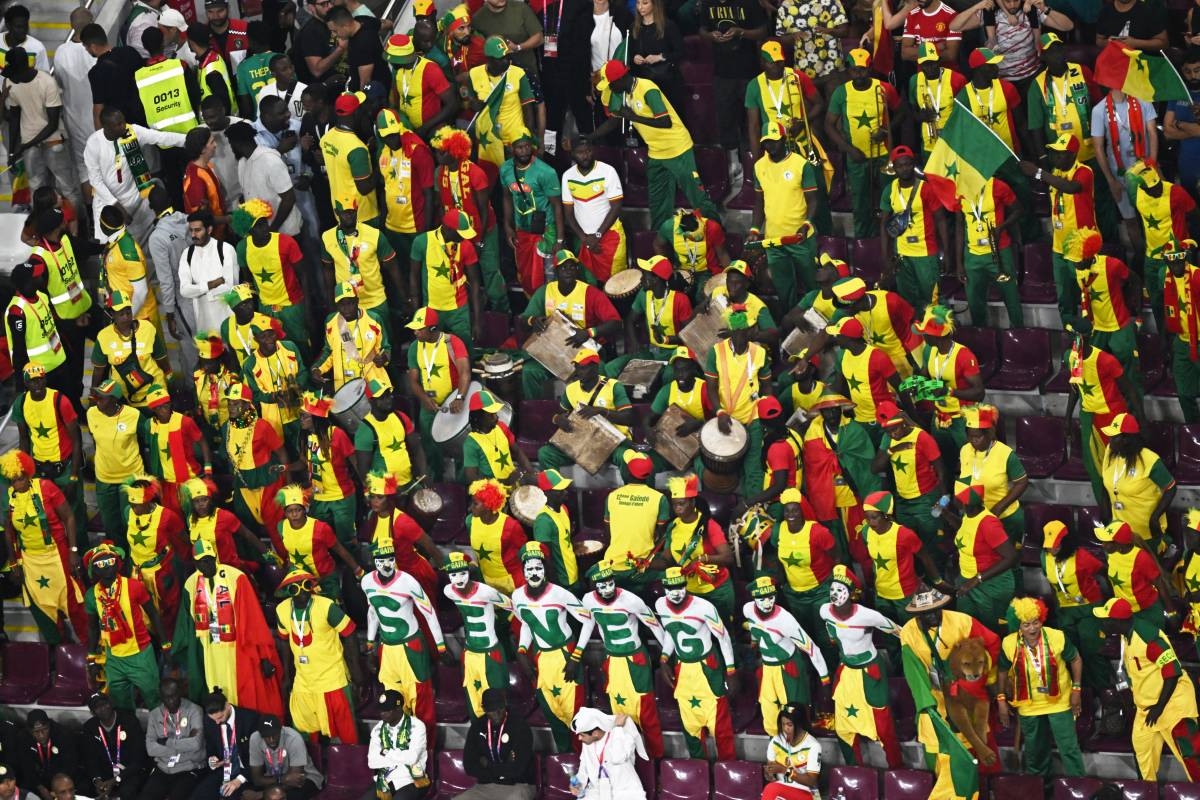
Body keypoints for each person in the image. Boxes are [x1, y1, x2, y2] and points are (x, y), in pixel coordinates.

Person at [594, 59, 719, 230]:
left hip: (677, 150)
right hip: (656, 153)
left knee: (696, 197)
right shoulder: (623, 93)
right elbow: (614, 121)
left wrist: (633, 117)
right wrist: (590, 137)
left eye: (610, 84)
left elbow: (665, 121)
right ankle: (661, 240)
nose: (610, 88)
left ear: (620, 79)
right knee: (658, 203)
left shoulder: (647, 88)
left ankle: (717, 233)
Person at [172, 539, 285, 718]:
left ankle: (241, 724)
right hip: (210, 650)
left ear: (216, 556)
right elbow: (187, 622)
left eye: (209, 559)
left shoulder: (235, 577)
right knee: (216, 686)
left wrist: (262, 654)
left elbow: (253, 618)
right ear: (195, 563)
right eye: (201, 561)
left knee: (239, 688)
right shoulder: (191, 583)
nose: (206, 565)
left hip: (236, 646)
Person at [1094, 597, 1200, 781]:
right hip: (1147, 709)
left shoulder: (1147, 637)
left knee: (1191, 755)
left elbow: (1173, 672)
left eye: (1106, 619)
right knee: (1143, 755)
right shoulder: (1124, 636)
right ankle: (1149, 793)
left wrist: (1159, 707)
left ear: (1118, 621)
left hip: (1173, 705)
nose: (1103, 623)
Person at [898, 587, 1001, 770]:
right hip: (933, 695)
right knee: (935, 740)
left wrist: (980, 676)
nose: (931, 616)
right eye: (925, 613)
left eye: (935, 610)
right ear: (917, 614)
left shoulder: (962, 621)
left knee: (978, 737)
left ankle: (983, 785)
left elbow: (992, 642)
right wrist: (926, 703)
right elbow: (912, 668)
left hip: (965, 691)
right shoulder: (908, 632)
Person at [819, 565, 902, 767]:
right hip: (847, 672)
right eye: (832, 589)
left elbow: (899, 631)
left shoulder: (867, 615)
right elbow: (832, 636)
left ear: (851, 593)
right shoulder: (824, 611)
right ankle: (855, 770)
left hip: (870, 672)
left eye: (840, 590)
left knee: (883, 725)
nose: (835, 594)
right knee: (843, 726)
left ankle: (896, 768)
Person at [362, 539, 446, 736]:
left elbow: (429, 612)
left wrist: (440, 645)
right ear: (374, 561)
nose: (386, 564)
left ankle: (426, 750)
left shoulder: (407, 581)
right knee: (392, 700)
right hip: (387, 647)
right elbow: (373, 612)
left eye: (390, 559)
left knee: (421, 700)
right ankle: (398, 745)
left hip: (411, 646)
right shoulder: (367, 582)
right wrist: (370, 644)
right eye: (381, 560)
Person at [510, 542, 589, 752]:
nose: (534, 573)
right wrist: (521, 652)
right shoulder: (517, 597)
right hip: (542, 661)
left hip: (566, 656)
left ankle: (585, 760)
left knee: (576, 715)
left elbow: (588, 620)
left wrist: (576, 656)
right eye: (529, 568)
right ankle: (564, 762)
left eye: (538, 568)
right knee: (553, 714)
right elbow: (527, 624)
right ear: (523, 570)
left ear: (545, 569)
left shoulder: (560, 594)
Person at [996, 597, 1086, 777]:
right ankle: (1040, 792)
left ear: (1041, 620)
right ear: (1018, 626)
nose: (1032, 628)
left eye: (1036, 622)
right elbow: (1002, 671)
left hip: (1059, 702)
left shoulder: (1056, 637)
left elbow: (1075, 659)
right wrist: (1001, 700)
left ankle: (1079, 789)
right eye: (1026, 624)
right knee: (1035, 755)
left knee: (1069, 749)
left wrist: (1076, 689)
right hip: (1028, 706)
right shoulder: (1008, 643)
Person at [655, 566, 736, 760]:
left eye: (680, 586)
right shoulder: (660, 605)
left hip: (707, 668)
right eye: (670, 588)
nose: (675, 592)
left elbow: (723, 638)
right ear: (663, 587)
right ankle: (700, 770)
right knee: (689, 724)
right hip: (682, 669)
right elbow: (671, 633)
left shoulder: (704, 607)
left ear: (686, 584)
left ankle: (727, 769)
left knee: (720, 725)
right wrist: (664, 657)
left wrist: (731, 671)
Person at [274, 567, 363, 744]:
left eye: (305, 585)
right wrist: (287, 673)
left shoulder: (326, 606)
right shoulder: (282, 610)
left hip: (332, 680)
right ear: (288, 592)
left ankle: (351, 769)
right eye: (294, 588)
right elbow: (284, 641)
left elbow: (350, 633)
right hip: (303, 683)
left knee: (348, 735)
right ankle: (308, 770)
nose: (301, 592)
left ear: (311, 586)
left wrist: (356, 671)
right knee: (303, 736)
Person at [518, 250, 621, 397]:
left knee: (598, 370)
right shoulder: (545, 291)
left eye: (572, 267)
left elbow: (616, 323)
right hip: (551, 352)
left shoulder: (590, 293)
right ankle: (537, 412)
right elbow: (523, 320)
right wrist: (533, 320)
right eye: (564, 267)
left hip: (582, 352)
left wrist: (589, 333)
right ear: (556, 271)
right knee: (529, 371)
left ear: (577, 269)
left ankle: (594, 411)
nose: (569, 271)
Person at [825, 49, 901, 238]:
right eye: (855, 70)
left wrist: (886, 129)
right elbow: (829, 125)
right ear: (849, 70)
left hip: (883, 156)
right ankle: (863, 242)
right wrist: (849, 150)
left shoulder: (883, 87)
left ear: (870, 69)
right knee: (860, 204)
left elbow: (901, 111)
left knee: (888, 201)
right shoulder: (841, 93)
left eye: (863, 70)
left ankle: (890, 239)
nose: (859, 74)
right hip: (857, 157)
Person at [1023, 135, 1099, 324]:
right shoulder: (1056, 173)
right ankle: (1070, 330)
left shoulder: (1084, 171)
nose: (1055, 158)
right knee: (1064, 295)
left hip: (1083, 247)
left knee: (1089, 294)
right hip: (1059, 247)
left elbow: (1071, 188)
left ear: (1072, 154)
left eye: (1060, 154)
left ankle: (1093, 331)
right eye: (1053, 153)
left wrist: (1038, 173)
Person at [431, 129, 505, 317]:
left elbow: (484, 210)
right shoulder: (439, 172)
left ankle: (501, 313)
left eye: (442, 151)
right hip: (456, 233)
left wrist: (479, 241)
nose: (438, 155)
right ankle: (473, 313)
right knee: (462, 274)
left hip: (482, 231)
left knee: (490, 273)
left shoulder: (476, 173)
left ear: (455, 151)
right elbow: (441, 205)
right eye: (437, 151)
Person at [743, 575, 829, 736]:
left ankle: (799, 753)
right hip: (768, 667)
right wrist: (754, 641)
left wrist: (825, 679)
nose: (767, 603)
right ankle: (776, 750)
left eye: (770, 597)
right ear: (754, 599)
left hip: (787, 668)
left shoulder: (784, 619)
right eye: (762, 599)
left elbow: (811, 648)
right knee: (768, 710)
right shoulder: (748, 609)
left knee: (793, 712)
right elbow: (753, 625)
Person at [83, 543, 164, 711]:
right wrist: (91, 657)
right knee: (121, 705)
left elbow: (154, 614)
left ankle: (162, 734)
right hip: (114, 658)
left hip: (140, 654)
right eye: (101, 564)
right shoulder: (91, 595)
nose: (107, 566)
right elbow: (92, 628)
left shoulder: (134, 586)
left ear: (117, 562)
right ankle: (129, 735)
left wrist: (165, 644)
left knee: (154, 698)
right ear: (94, 570)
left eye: (110, 561)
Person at [750, 122, 819, 309]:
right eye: (766, 143)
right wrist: (755, 229)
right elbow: (759, 202)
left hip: (800, 238)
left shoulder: (800, 164)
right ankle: (793, 325)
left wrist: (806, 224)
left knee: (813, 285)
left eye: (774, 141)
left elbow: (813, 200)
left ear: (784, 140)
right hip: (774, 240)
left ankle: (821, 323)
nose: (770, 146)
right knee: (784, 289)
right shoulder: (758, 167)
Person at [3, 49, 79, 210]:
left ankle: (80, 231)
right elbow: (15, 118)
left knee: (67, 189)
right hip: (29, 145)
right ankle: (44, 230)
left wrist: (25, 145)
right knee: (37, 191)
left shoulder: (46, 82)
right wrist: (12, 152)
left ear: (24, 67)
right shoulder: (10, 83)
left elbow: (52, 124)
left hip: (53, 141)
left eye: (14, 73)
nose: (11, 77)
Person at [442, 550, 514, 718]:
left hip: (491, 653)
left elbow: (514, 607)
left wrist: (503, 623)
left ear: (469, 572)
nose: (459, 579)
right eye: (453, 575)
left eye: (462, 573)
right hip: (470, 654)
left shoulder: (485, 591)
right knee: (474, 703)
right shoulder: (448, 591)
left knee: (499, 703)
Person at [881, 145, 951, 315]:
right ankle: (915, 335)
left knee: (932, 299)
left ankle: (939, 334)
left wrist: (946, 252)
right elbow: (884, 225)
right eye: (900, 165)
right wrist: (886, 255)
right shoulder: (889, 189)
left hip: (926, 253)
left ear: (913, 164)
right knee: (907, 300)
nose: (904, 168)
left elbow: (941, 220)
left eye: (908, 164)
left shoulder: (926, 188)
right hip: (902, 255)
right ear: (894, 168)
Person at [872, 402, 946, 558]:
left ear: (903, 421)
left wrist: (943, 499)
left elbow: (941, 470)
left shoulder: (921, 437)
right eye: (888, 431)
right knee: (911, 544)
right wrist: (892, 449)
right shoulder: (888, 440)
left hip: (925, 499)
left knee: (932, 542)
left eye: (895, 429)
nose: (893, 434)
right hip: (903, 502)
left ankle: (938, 577)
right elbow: (875, 467)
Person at [233, 200, 307, 352]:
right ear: (249, 230)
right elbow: (248, 282)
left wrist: (308, 308)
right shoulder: (242, 248)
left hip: (291, 306)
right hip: (264, 308)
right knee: (273, 350)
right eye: (258, 226)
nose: (265, 228)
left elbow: (304, 276)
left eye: (264, 222)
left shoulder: (286, 242)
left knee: (300, 348)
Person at [1090, 87, 1156, 251]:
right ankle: (1141, 258)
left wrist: (1153, 164)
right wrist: (1111, 181)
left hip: (1145, 170)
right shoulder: (1099, 110)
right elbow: (1098, 147)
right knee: (1131, 221)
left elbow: (1152, 133)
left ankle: (1157, 256)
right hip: (1119, 174)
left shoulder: (1143, 100)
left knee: (1153, 217)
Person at [1100, 413, 1176, 552]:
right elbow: (1105, 484)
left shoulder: (1148, 459)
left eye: (1114, 436)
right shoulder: (1109, 453)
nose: (1109, 440)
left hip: (1145, 532)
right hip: (1119, 529)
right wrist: (1106, 514)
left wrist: (1155, 518)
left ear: (1126, 439)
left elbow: (1171, 488)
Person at [500, 134, 563, 296]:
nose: (524, 151)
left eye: (527, 146)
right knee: (527, 277)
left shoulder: (546, 172)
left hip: (546, 232)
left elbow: (557, 206)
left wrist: (560, 239)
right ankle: (535, 314)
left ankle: (553, 313)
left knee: (550, 277)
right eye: (520, 147)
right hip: (522, 231)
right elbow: (506, 197)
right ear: (512, 149)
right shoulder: (506, 169)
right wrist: (508, 226)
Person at [958, 403, 1028, 550]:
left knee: (1008, 561)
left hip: (1005, 518)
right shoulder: (965, 450)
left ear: (989, 433)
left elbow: (1022, 483)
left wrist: (998, 508)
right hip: (977, 518)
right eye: (970, 436)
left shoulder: (1005, 453)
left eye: (978, 436)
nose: (973, 440)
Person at [951, 485, 1019, 634]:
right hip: (967, 581)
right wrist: (945, 514)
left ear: (967, 505)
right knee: (967, 626)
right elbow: (966, 531)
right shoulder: (969, 515)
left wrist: (977, 579)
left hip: (991, 584)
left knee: (990, 630)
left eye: (960, 500)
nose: (956, 501)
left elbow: (1011, 557)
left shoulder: (989, 524)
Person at [465, 38, 536, 178]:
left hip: (514, 140)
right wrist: (472, 103)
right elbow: (468, 101)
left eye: (507, 56)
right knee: (490, 182)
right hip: (489, 141)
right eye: (501, 58)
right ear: (489, 59)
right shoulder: (474, 74)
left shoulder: (518, 73)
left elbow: (528, 109)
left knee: (517, 181)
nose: (506, 61)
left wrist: (528, 139)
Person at [374, 109, 435, 268]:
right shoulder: (384, 153)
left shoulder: (417, 150)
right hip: (392, 228)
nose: (392, 139)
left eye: (394, 134)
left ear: (399, 127)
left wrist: (426, 232)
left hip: (415, 227)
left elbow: (429, 194)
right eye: (387, 136)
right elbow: (384, 188)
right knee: (401, 272)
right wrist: (383, 221)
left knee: (421, 273)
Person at [122, 476, 184, 634]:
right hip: (138, 572)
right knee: (140, 609)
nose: (134, 508)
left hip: (161, 571)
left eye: (138, 505)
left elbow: (182, 538)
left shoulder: (166, 516)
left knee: (168, 608)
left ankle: (170, 642)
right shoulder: (128, 512)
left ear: (148, 500)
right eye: (132, 504)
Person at [562, 138, 627, 283]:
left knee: (615, 286)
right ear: (572, 154)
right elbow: (568, 212)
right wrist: (584, 238)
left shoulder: (608, 171)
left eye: (588, 151)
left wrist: (597, 235)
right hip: (584, 240)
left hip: (610, 237)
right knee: (588, 286)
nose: (585, 155)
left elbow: (616, 207)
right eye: (580, 152)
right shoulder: (568, 176)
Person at [276, 484, 360, 598]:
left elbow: (340, 550)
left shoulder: (320, 528)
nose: (294, 514)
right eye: (290, 511)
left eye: (298, 510)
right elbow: (290, 554)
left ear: (304, 510)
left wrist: (357, 569)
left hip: (325, 578)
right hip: (300, 580)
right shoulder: (281, 526)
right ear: (285, 513)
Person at [146, 187, 196, 369]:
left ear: (151, 207)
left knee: (191, 347)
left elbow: (165, 280)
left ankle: (195, 391)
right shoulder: (188, 220)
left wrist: (169, 313)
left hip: (182, 296)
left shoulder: (157, 237)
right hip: (200, 287)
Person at [457, 688, 537, 800]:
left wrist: (487, 765)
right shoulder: (477, 726)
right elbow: (469, 766)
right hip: (485, 786)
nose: (497, 714)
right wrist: (504, 768)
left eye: (500, 708)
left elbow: (518, 769)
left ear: (505, 705)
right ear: (484, 709)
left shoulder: (520, 726)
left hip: (518, 785)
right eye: (492, 710)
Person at [311, 282, 390, 393]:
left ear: (357, 301)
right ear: (336, 305)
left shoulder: (374, 319)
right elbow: (329, 351)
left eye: (350, 303)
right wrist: (317, 369)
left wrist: (384, 358)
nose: (346, 308)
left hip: (372, 383)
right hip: (345, 386)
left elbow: (386, 349)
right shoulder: (331, 322)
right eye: (342, 304)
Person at [230, 123, 302, 240]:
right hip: (263, 234)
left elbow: (289, 199)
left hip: (286, 233)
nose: (231, 148)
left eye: (230, 144)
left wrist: (272, 230)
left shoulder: (270, 160)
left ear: (237, 144)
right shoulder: (242, 163)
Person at [140, 677, 207, 800]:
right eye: (167, 697)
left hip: (188, 767)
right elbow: (150, 749)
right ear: (161, 697)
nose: (171, 700)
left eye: (174, 695)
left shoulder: (194, 711)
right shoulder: (155, 715)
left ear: (180, 693)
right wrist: (183, 745)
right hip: (163, 768)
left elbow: (196, 744)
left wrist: (166, 742)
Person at [54, 8, 97, 194]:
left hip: (74, 120)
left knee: (84, 170)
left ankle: (90, 213)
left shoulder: (60, 52)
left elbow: (59, 84)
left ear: (71, 26)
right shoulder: (96, 49)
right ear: (93, 22)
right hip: (99, 117)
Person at [354, 378, 425, 489]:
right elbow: (363, 469)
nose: (388, 400)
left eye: (388, 395)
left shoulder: (400, 417)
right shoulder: (365, 430)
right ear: (371, 401)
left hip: (409, 483)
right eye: (382, 397)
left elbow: (417, 449)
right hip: (385, 491)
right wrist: (373, 494)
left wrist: (423, 475)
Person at [320, 93, 379, 226]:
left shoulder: (326, 138)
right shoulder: (357, 148)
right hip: (363, 214)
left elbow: (342, 162)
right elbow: (365, 187)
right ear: (356, 112)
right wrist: (380, 167)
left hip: (340, 210)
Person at [178, 211, 240, 334]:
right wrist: (211, 284)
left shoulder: (226, 249)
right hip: (203, 323)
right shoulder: (187, 254)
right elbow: (184, 291)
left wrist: (197, 291)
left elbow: (230, 288)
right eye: (191, 230)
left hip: (228, 319)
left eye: (198, 230)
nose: (193, 234)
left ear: (209, 229)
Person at [82, 692, 148, 799]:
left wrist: (115, 780)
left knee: (126, 792)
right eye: (97, 707)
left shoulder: (129, 721)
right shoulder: (90, 727)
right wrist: (97, 781)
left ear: (111, 703)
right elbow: (90, 759)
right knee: (86, 789)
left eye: (104, 704)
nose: (102, 708)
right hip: (105, 774)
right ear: (93, 712)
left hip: (129, 773)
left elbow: (138, 760)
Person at [195, 688, 258, 799]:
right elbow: (210, 746)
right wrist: (212, 760)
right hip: (222, 771)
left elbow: (257, 757)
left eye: (220, 718)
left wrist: (239, 780)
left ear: (227, 706)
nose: (217, 722)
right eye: (213, 719)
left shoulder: (249, 719)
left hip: (244, 773)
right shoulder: (210, 720)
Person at [653, 207, 729, 298]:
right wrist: (667, 267)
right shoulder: (669, 227)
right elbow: (657, 245)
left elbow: (723, 254)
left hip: (707, 271)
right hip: (682, 270)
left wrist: (730, 273)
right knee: (671, 293)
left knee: (702, 296)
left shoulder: (712, 227)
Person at [625, 0, 685, 112]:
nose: (640, 7)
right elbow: (630, 52)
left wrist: (660, 57)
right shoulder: (634, 27)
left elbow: (681, 52)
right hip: (643, 81)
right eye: (638, 3)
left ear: (654, 4)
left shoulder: (668, 26)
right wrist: (634, 57)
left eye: (645, 3)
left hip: (667, 81)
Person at [366, 689, 428, 798]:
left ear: (399, 708)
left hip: (411, 779)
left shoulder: (417, 726)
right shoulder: (377, 729)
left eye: (387, 710)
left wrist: (385, 752)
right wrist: (400, 757)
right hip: (385, 779)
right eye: (381, 710)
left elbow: (412, 758)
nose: (382, 714)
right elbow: (372, 762)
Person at [462, 389, 531, 486]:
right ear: (478, 417)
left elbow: (518, 452)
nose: (496, 417)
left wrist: (531, 473)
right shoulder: (471, 443)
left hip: (513, 482)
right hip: (493, 492)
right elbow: (472, 479)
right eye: (491, 414)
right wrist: (504, 482)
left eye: (496, 413)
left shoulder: (501, 427)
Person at [908, 42, 965, 157]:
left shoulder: (956, 79)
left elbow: (965, 113)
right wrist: (919, 117)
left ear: (939, 61)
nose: (930, 67)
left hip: (953, 141)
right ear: (919, 64)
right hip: (928, 141)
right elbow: (911, 109)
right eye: (925, 64)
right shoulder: (914, 80)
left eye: (933, 63)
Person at [760, 705, 822, 800]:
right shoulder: (776, 741)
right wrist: (769, 774)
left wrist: (784, 770)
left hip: (806, 790)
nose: (785, 728)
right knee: (770, 789)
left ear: (799, 724)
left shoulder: (813, 745)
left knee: (771, 789)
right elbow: (770, 768)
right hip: (781, 786)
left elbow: (811, 781)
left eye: (789, 725)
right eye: (783, 724)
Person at [900, 0, 960, 64]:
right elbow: (905, 54)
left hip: (948, 72)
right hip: (921, 72)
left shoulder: (951, 15)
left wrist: (918, 51)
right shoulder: (912, 15)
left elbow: (951, 55)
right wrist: (936, 47)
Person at [1096, 0, 1168, 50]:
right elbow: (1099, 40)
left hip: (1144, 65)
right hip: (1115, 64)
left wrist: (1135, 43)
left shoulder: (1149, 9)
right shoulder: (1105, 11)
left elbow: (1163, 43)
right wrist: (1109, 43)